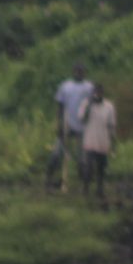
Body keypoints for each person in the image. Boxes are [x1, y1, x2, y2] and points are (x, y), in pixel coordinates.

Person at [48, 63, 95, 191]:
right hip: (67, 126)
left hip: (84, 128)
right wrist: (59, 124)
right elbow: (60, 106)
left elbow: (93, 106)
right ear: (73, 71)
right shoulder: (65, 86)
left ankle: (85, 186)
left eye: (81, 71)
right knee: (56, 154)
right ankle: (49, 181)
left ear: (85, 72)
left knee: (83, 159)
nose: (79, 73)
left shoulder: (89, 87)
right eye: (77, 71)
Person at [79, 88, 117, 201]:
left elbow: (111, 125)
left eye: (99, 93)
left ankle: (100, 190)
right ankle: (85, 189)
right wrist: (89, 105)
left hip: (103, 141)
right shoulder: (86, 104)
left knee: (101, 167)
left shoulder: (109, 106)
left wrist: (113, 142)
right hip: (90, 141)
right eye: (95, 93)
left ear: (102, 94)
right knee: (89, 167)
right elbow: (82, 119)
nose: (97, 95)